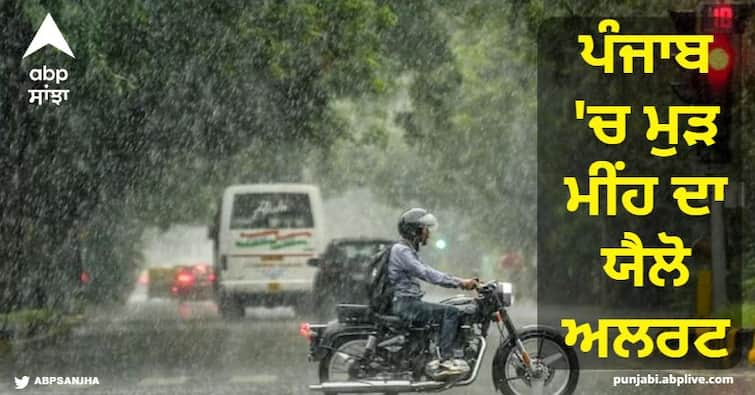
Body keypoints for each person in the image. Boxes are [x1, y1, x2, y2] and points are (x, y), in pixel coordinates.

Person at [387, 208, 479, 379]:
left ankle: (431, 355)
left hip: (406, 302)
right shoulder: (402, 250)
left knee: (447, 308)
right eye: (425, 229)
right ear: (415, 231)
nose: (428, 233)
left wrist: (460, 281)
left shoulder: (408, 250)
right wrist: (459, 283)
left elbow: (427, 270)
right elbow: (426, 273)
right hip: (405, 304)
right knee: (450, 312)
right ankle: (445, 360)